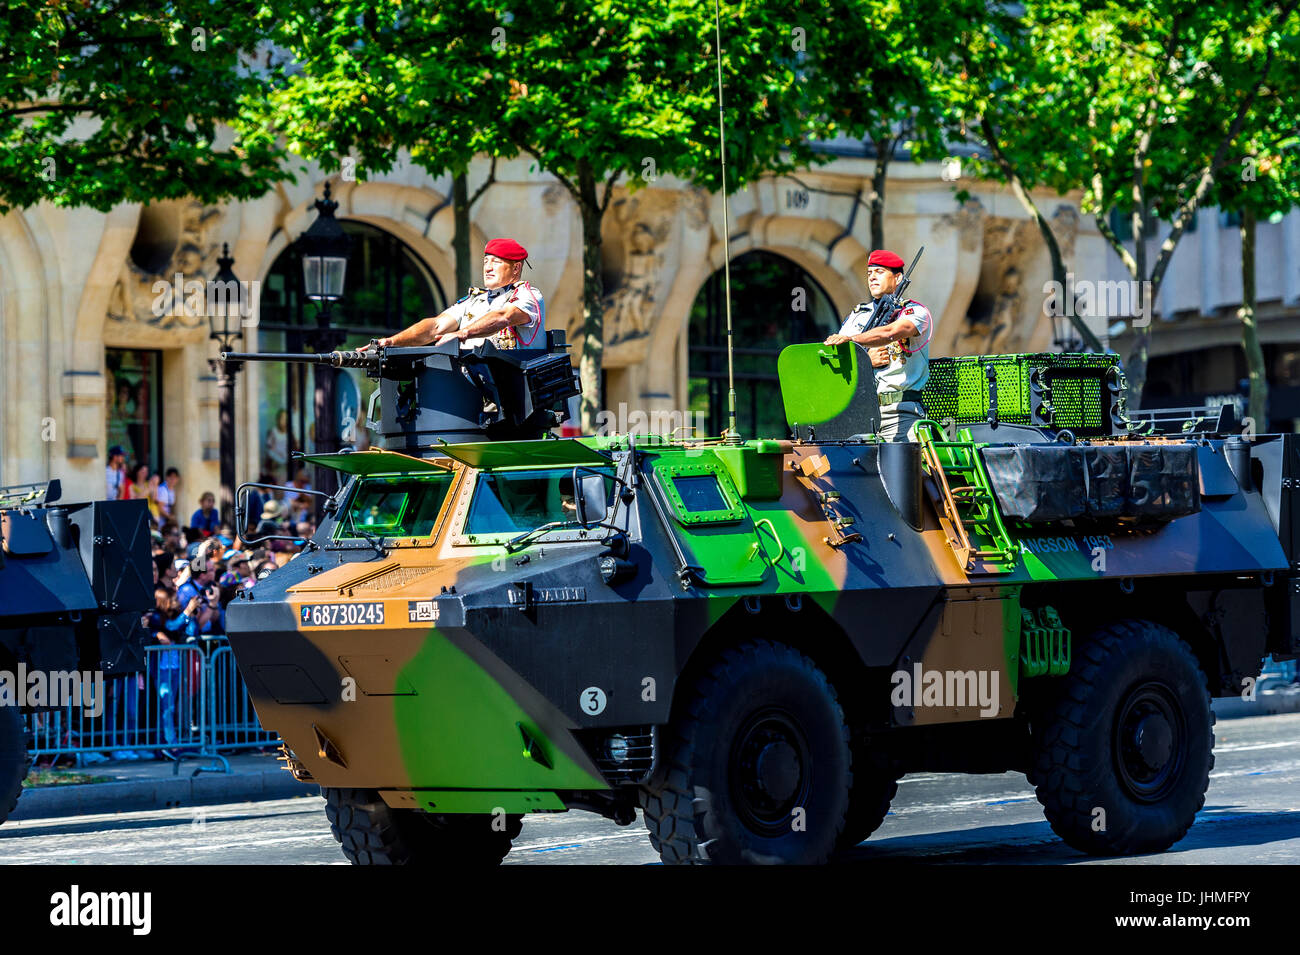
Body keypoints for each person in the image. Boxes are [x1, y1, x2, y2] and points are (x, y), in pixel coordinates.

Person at [824, 249, 934, 441]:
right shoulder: (858, 315)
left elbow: (891, 332)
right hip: (860, 413)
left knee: (905, 468)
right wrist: (865, 360)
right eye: (869, 273)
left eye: (880, 272)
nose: (872, 278)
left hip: (901, 412)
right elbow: (837, 360)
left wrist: (853, 339)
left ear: (898, 278)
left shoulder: (915, 312)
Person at [360, 238, 545, 353]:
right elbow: (435, 327)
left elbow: (504, 317)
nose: (488, 268)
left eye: (496, 262)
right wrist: (391, 342)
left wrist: (462, 333)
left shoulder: (527, 296)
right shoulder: (475, 300)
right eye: (485, 262)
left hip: (511, 395)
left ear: (516, 268)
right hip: (467, 390)